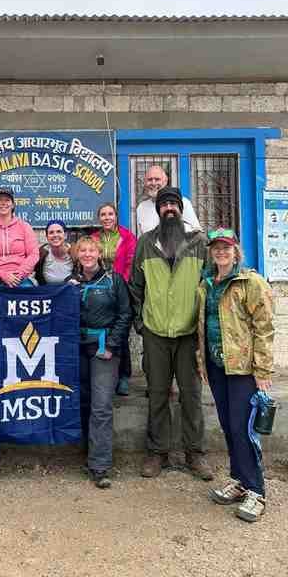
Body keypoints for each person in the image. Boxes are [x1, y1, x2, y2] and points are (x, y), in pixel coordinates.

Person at [129, 186, 213, 481]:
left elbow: (211, 285)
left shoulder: (199, 243)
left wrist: (205, 328)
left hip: (189, 333)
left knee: (191, 395)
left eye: (173, 204)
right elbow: (135, 288)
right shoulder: (145, 244)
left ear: (181, 209)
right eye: (163, 204)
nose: (168, 209)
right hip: (155, 333)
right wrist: (141, 324)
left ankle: (195, 453)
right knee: (158, 394)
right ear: (158, 211)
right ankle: (157, 453)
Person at [196, 228, 274, 522]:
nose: (221, 252)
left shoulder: (250, 282)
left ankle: (257, 490)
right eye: (216, 247)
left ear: (235, 251)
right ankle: (240, 481)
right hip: (218, 366)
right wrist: (202, 362)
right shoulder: (206, 284)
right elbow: (203, 326)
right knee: (229, 425)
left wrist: (263, 369)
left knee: (244, 428)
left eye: (226, 247)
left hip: (243, 368)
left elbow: (264, 328)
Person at [70, 236, 131, 489]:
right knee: (84, 402)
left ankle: (100, 465)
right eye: (82, 250)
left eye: (91, 250)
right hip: (78, 349)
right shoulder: (71, 283)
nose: (87, 254)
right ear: (77, 255)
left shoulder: (114, 281)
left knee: (102, 405)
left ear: (99, 253)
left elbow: (125, 313)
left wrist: (113, 345)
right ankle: (87, 454)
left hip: (104, 349)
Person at [91, 203, 137, 396]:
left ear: (116, 216)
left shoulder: (127, 236)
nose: (107, 217)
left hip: (121, 287)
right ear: (99, 218)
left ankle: (124, 375)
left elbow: (131, 261)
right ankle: (108, 375)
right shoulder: (94, 238)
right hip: (100, 288)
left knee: (122, 331)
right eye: (103, 214)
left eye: (110, 214)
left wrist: (120, 284)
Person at [0, 187, 39, 287]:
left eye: (7, 200)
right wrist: (3, 275)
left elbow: (34, 254)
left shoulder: (25, 226)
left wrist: (18, 275)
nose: (3, 203)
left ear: (13, 204)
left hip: (21, 278)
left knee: (27, 293)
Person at [136, 165, 201, 236]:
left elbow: (196, 232)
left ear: (165, 181)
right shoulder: (141, 207)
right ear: (145, 182)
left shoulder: (182, 202)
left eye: (157, 179)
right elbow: (141, 238)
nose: (153, 183)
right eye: (150, 180)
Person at [34, 219, 74, 285]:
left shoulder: (75, 253)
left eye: (59, 231)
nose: (55, 235)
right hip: (48, 293)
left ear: (65, 235)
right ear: (47, 237)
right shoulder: (41, 254)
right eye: (51, 232)